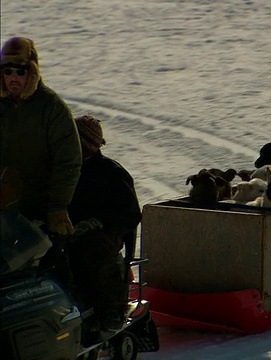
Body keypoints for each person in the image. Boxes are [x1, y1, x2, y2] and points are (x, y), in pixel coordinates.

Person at [66, 114, 142, 331]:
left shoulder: (111, 172)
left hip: (105, 235)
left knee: (92, 248)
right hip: (67, 227)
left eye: (78, 140)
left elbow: (130, 212)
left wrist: (99, 223)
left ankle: (111, 312)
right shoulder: (66, 169)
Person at [0, 37, 81, 236]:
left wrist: (57, 208)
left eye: (20, 71)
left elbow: (68, 161)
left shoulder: (51, 107)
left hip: (39, 212)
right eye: (7, 71)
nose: (13, 78)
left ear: (32, 71)